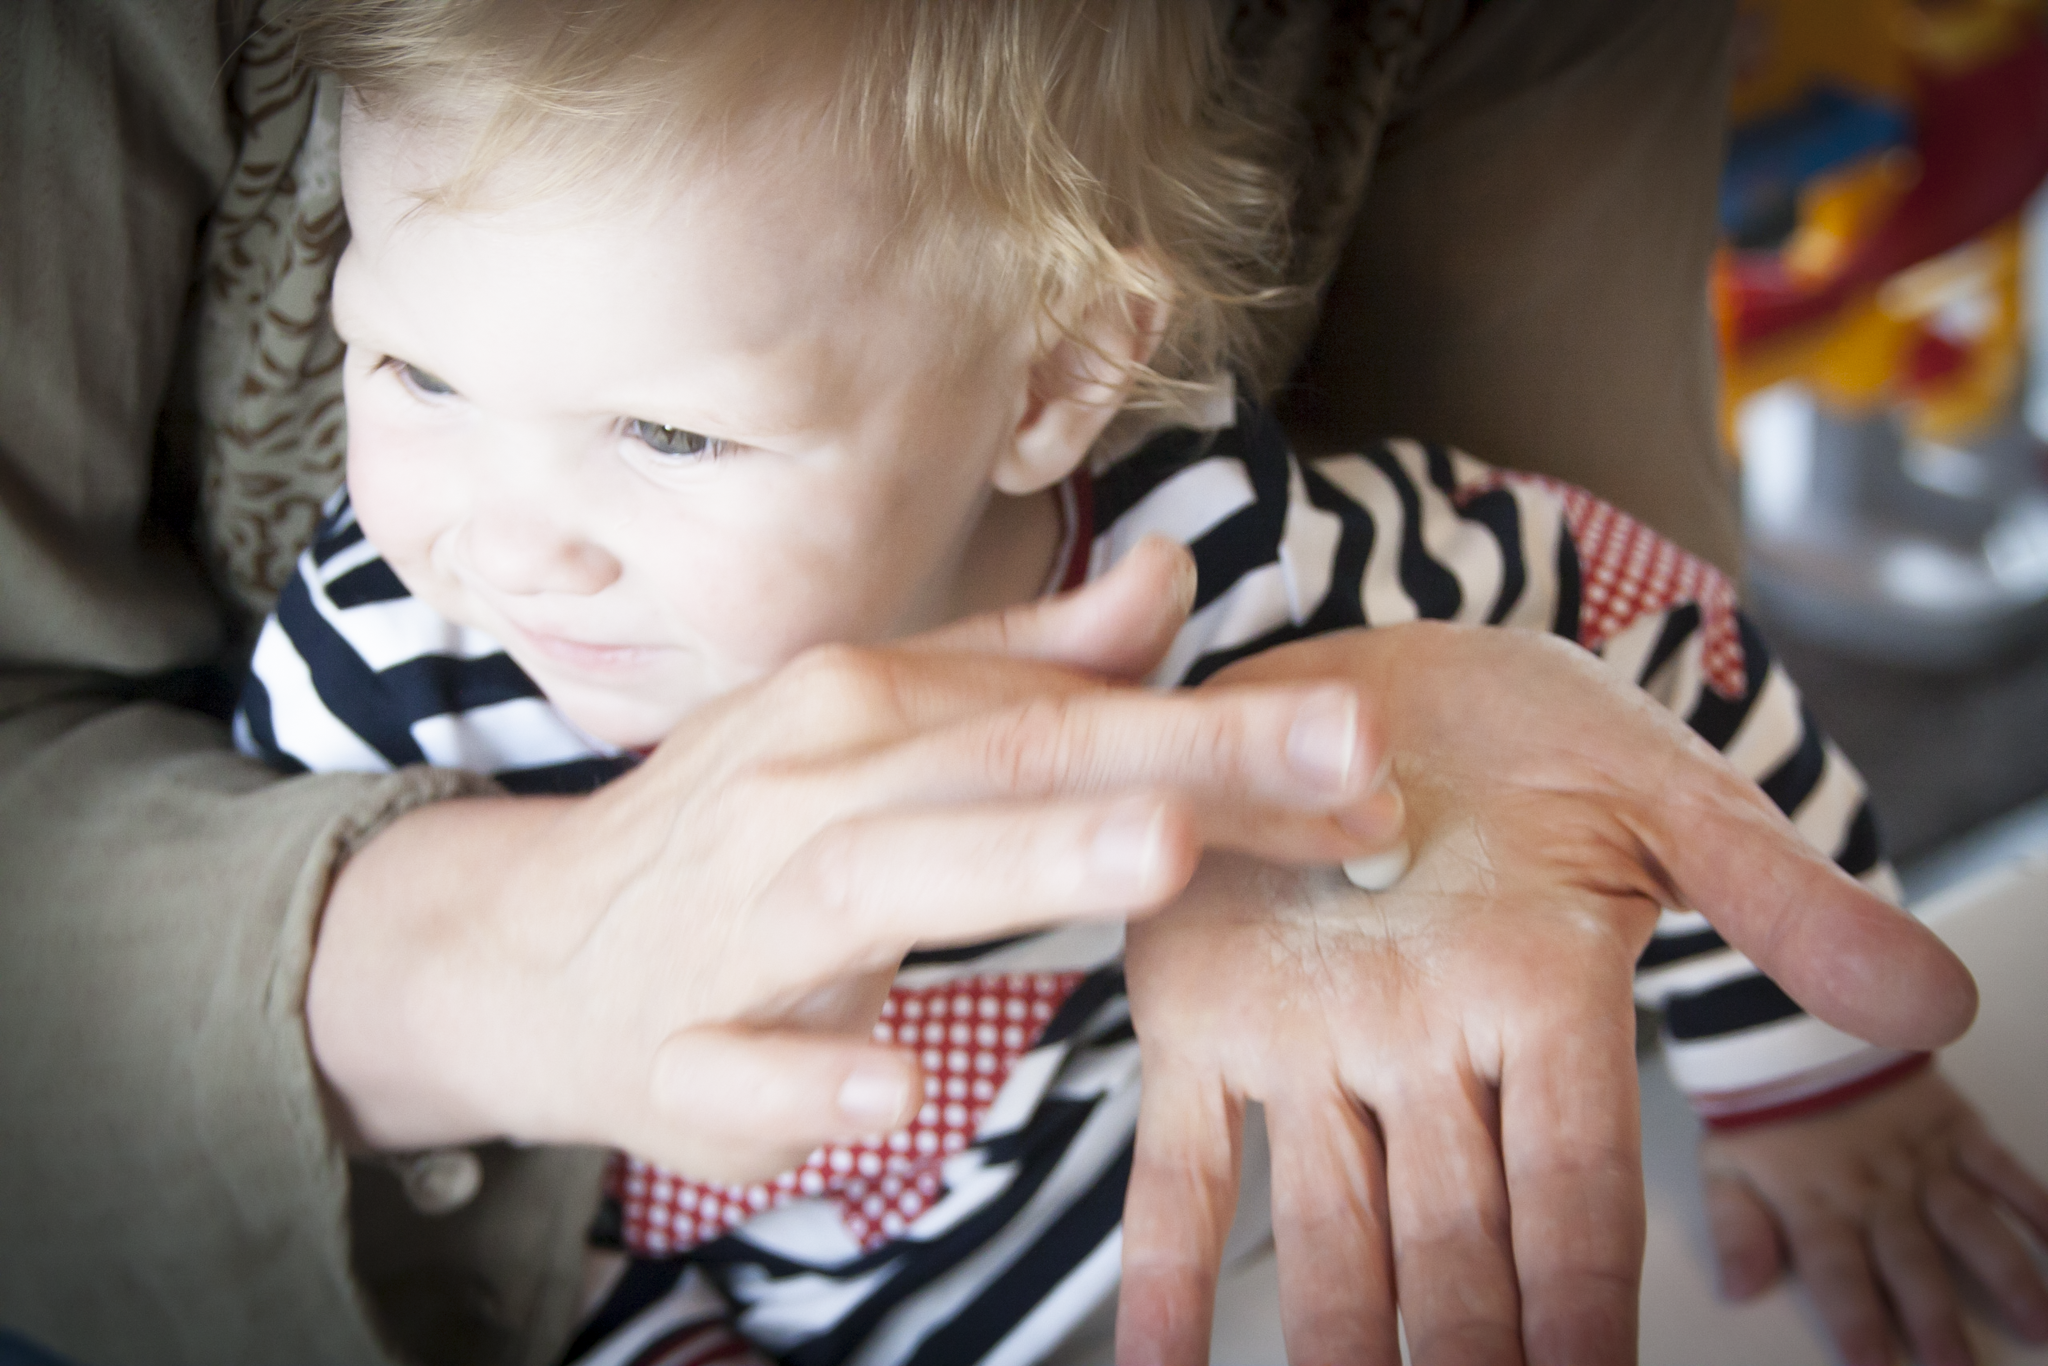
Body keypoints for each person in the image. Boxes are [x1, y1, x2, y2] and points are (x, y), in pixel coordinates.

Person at [0, 4, 2015, 1366]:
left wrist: (1802, 1082)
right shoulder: (390, 672)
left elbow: (1631, 636)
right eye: (413, 372)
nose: (504, 540)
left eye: (670, 434)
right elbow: (477, 1188)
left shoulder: (1217, 547)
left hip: (1226, 1234)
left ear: (1053, 379)